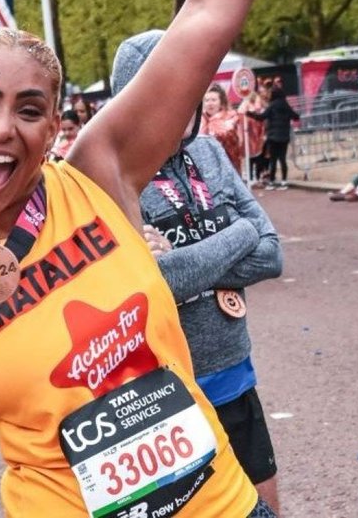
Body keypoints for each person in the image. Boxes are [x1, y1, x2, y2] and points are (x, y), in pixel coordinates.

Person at [0, 0, 274, 517]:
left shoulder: (99, 173)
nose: (3, 127)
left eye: (30, 110)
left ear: (54, 126)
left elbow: (207, 13)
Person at [111, 30, 283, 513]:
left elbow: (272, 254)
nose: (191, 101)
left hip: (236, 376)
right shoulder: (116, 174)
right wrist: (240, 235)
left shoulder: (207, 153)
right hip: (166, 396)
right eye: (178, 87)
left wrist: (186, 260)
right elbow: (159, 284)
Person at [247, 86, 299, 190]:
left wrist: (250, 114)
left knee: (273, 160)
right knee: (283, 159)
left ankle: (271, 182)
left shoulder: (272, 105)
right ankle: (284, 181)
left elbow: (261, 117)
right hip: (284, 136)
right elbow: (296, 116)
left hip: (273, 136)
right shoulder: (285, 105)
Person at [200, 83, 243, 174]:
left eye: (214, 100)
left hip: (229, 166)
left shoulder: (231, 117)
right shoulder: (200, 121)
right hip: (206, 169)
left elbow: (234, 139)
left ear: (221, 102)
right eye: (207, 100)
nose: (210, 103)